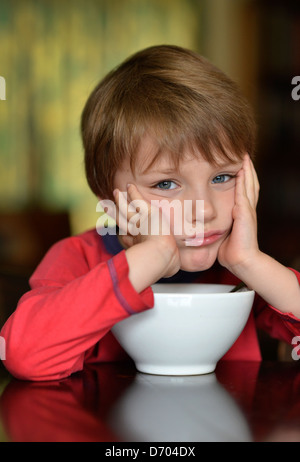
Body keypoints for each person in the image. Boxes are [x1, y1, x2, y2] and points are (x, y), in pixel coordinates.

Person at [1, 45, 300, 381]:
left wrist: (251, 263)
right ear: (108, 197)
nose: (203, 210)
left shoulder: (241, 269)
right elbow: (24, 354)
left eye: (222, 177)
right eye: (166, 184)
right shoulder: (77, 258)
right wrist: (151, 257)